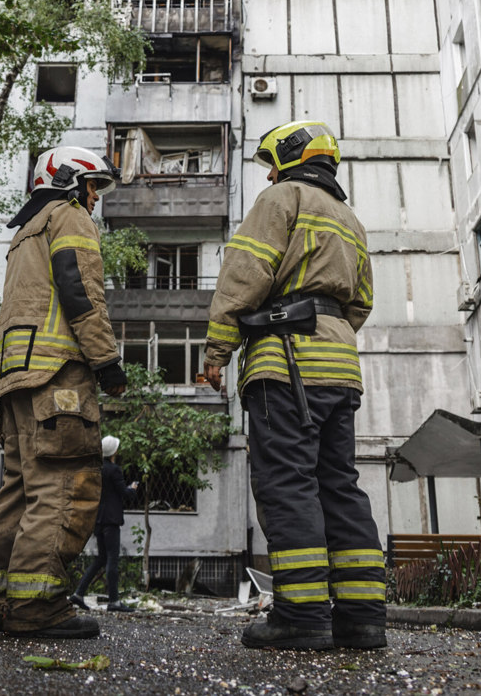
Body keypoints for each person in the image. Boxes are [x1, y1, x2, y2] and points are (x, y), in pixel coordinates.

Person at [203, 121, 385, 651]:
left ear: (288, 157)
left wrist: (217, 351)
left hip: (286, 364)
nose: (269, 174)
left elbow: (245, 276)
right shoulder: (349, 218)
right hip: (339, 366)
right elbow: (360, 303)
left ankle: (301, 616)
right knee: (339, 484)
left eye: (271, 163)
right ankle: (362, 617)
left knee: (288, 483)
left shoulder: (282, 198)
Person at [0, 145, 129, 640]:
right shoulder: (69, 216)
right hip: (58, 377)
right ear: (71, 182)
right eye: (93, 185)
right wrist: (107, 361)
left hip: (14, 380)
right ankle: (38, 607)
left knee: (17, 491)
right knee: (62, 488)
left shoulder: (23, 234)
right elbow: (80, 289)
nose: (96, 197)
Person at [70, 435, 140, 612]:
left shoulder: (96, 469)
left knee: (101, 558)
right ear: (114, 451)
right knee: (112, 560)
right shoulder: (114, 470)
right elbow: (124, 493)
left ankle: (78, 593)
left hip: (98, 520)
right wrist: (132, 489)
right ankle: (114, 601)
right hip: (111, 520)